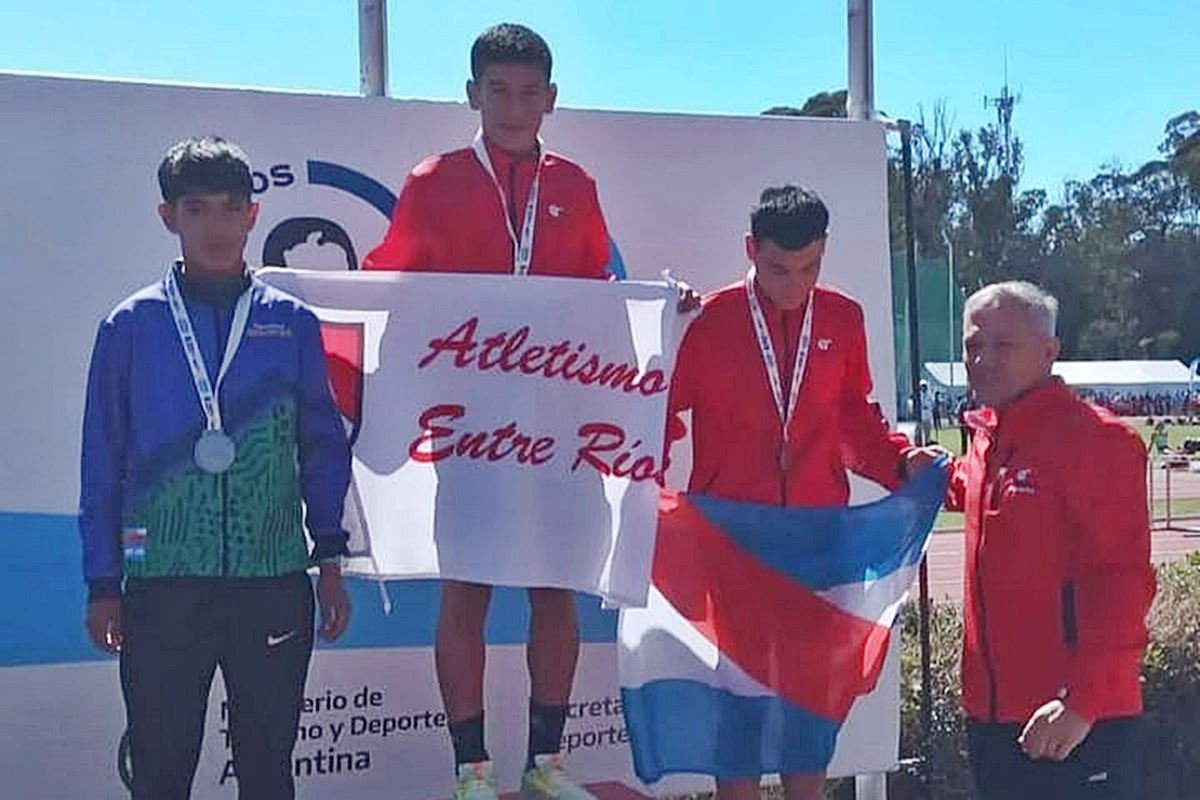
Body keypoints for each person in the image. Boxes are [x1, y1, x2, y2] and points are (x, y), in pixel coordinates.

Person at [361, 23, 610, 800]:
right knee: (465, 590)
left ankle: (547, 763)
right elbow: (385, 286)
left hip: (555, 424)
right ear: (472, 95)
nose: (514, 105)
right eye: (498, 89)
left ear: (552, 98)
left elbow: (602, 300)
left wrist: (666, 317)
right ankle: (471, 770)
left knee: (554, 589)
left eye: (530, 91)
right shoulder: (432, 181)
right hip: (469, 426)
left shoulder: (577, 186)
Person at [79, 135, 353, 799]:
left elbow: (321, 442)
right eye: (197, 209)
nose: (216, 226)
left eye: (231, 208)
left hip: (272, 579)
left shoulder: (289, 323)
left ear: (253, 216)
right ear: (168, 216)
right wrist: (103, 582)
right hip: (163, 584)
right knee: (162, 764)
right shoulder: (131, 325)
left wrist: (331, 561)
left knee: (267, 766)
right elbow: (102, 459)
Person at [666, 184, 940, 800]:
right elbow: (654, 413)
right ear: (750, 249)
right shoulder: (707, 321)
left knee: (807, 712)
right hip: (734, 544)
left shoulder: (842, 318)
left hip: (819, 542)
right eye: (779, 269)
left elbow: (856, 422)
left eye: (811, 267)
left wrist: (903, 464)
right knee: (738, 709)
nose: (795, 285)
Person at [946, 281, 1155, 800]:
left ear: (1048, 352)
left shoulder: (1097, 440)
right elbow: (956, 485)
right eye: (974, 346)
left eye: (1003, 346)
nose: (983, 360)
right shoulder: (989, 440)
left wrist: (1082, 701)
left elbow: (1123, 581)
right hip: (993, 714)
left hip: (1074, 718)